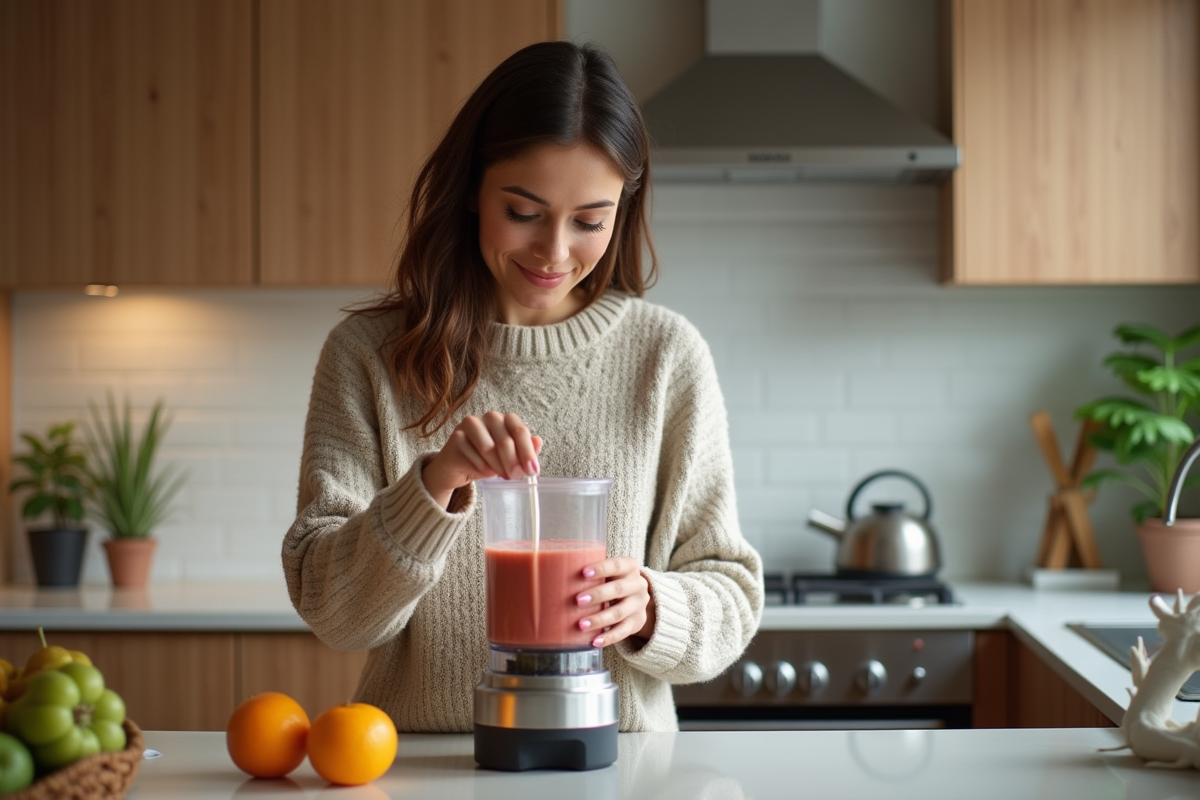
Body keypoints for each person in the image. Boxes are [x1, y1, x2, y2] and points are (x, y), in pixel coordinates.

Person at [283, 40, 763, 733]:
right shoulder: (369, 357)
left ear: (621, 213)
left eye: (590, 221)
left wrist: (653, 606)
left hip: (617, 771)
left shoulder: (664, 356)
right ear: (473, 189)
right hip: (421, 773)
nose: (555, 252)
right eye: (524, 212)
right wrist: (435, 485)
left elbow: (732, 591)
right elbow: (335, 613)